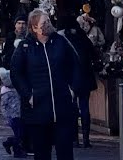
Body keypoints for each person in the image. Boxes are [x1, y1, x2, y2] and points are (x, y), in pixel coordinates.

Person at [11, 10, 87, 160]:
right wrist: (28, 95)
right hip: (38, 109)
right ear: (34, 27)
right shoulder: (25, 47)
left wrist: (72, 89)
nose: (48, 25)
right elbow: (16, 73)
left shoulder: (60, 42)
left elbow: (75, 65)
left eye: (48, 21)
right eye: (44, 23)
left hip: (62, 107)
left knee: (65, 152)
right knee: (42, 153)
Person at [61, 19, 98, 149]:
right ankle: (86, 139)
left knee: (73, 109)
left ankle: (75, 139)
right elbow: (94, 54)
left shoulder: (64, 39)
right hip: (85, 78)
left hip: (71, 79)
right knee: (85, 107)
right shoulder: (83, 38)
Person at [0, 68, 26, 157]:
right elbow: (3, 106)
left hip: (18, 115)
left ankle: (10, 143)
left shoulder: (15, 90)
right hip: (12, 116)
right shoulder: (6, 93)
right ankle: (15, 150)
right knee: (19, 134)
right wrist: (7, 117)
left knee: (20, 133)